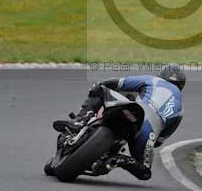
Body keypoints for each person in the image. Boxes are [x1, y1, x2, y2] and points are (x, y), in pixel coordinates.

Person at [53, 64, 186, 181]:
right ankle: (119, 160)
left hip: (134, 110)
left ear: (162, 75)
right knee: (144, 171)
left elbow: (118, 82)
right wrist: (148, 142)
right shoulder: (180, 109)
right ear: (182, 85)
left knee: (99, 89)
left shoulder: (154, 80)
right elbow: (160, 141)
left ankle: (79, 121)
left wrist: (100, 86)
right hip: (147, 131)